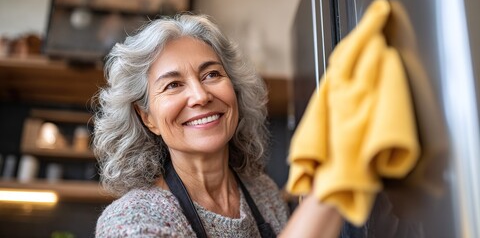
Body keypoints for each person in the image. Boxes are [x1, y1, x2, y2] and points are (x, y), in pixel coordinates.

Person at [93, 13, 342, 237]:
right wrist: (334, 182)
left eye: (211, 74)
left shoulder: (262, 193)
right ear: (147, 117)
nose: (201, 96)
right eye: (173, 85)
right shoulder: (130, 221)